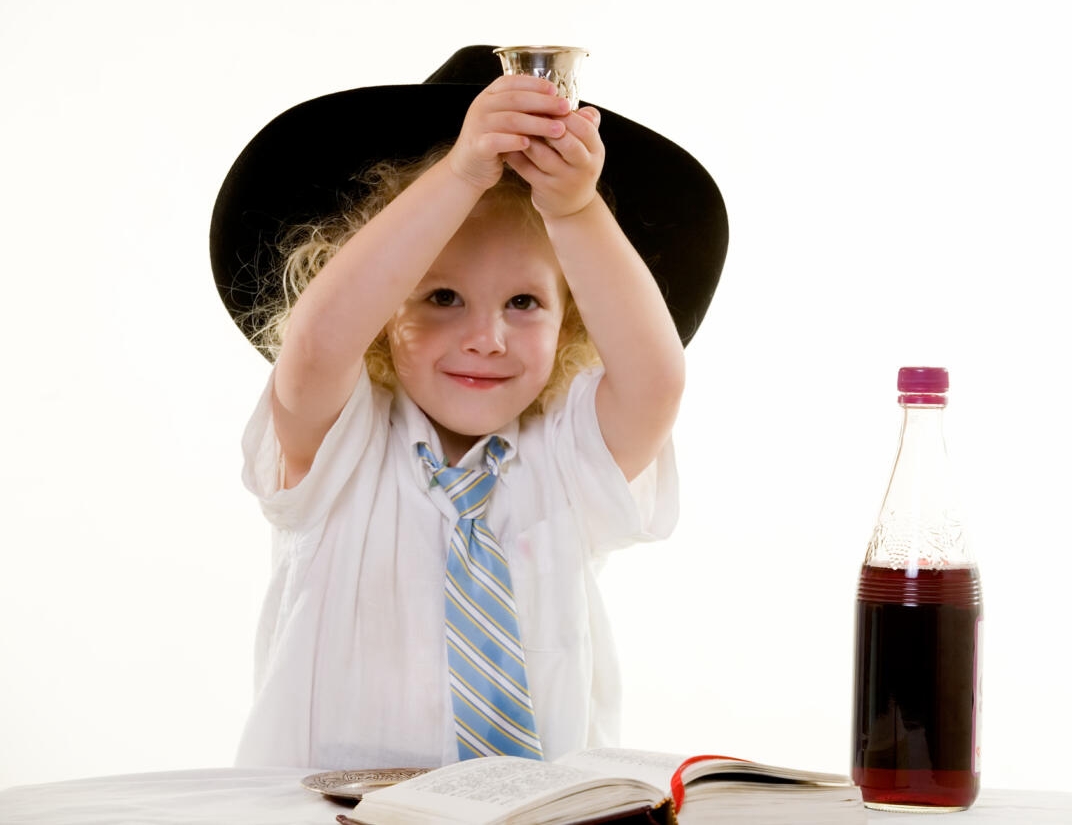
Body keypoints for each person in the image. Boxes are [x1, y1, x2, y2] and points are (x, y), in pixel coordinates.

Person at [209, 45, 727, 770]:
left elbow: (655, 382)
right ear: (386, 310)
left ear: (571, 319)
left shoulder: (567, 460)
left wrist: (573, 210)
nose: (486, 339)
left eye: (524, 302)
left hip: (541, 820)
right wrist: (459, 173)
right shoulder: (339, 447)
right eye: (441, 297)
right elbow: (318, 344)